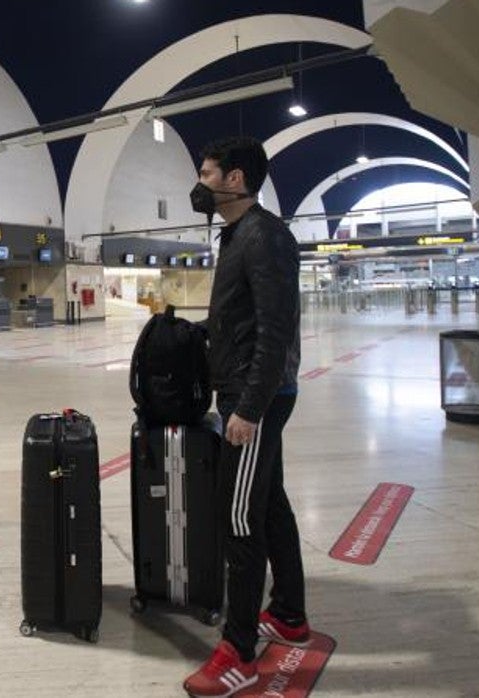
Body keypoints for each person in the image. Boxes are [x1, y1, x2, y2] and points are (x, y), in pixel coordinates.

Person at [182, 137, 309, 698]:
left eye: (207, 173)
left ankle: (239, 653)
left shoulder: (265, 236)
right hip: (243, 390)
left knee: (240, 519)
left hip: (253, 399)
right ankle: (288, 616)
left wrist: (248, 410)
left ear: (235, 180)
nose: (199, 182)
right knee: (269, 502)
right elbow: (239, 320)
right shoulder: (235, 235)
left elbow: (274, 329)